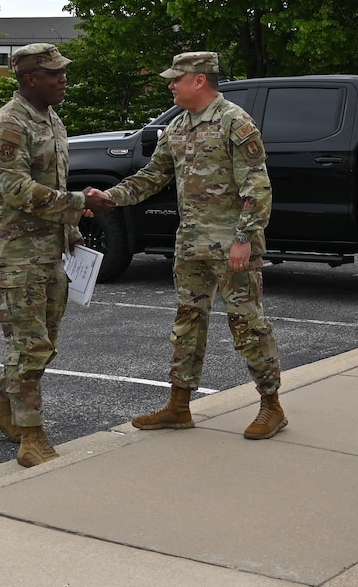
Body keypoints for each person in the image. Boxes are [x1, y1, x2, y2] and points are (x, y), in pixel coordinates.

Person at [84, 51, 285, 438]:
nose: (171, 84)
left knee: (247, 324)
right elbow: (151, 176)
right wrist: (109, 198)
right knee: (187, 323)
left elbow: (257, 188)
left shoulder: (234, 122)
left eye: (177, 78)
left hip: (231, 247)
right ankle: (179, 405)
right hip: (191, 244)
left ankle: (271, 405)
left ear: (199, 80)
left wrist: (244, 239)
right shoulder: (179, 126)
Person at [0, 42, 90, 468]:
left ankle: (0, 405)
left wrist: (73, 228)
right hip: (15, 250)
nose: (63, 79)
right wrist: (79, 202)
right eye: (54, 74)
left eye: (62, 72)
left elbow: (56, 177)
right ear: (29, 79)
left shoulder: (51, 118)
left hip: (50, 248)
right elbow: (16, 190)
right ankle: (31, 434)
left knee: (46, 343)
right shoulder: (9, 125)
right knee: (29, 345)